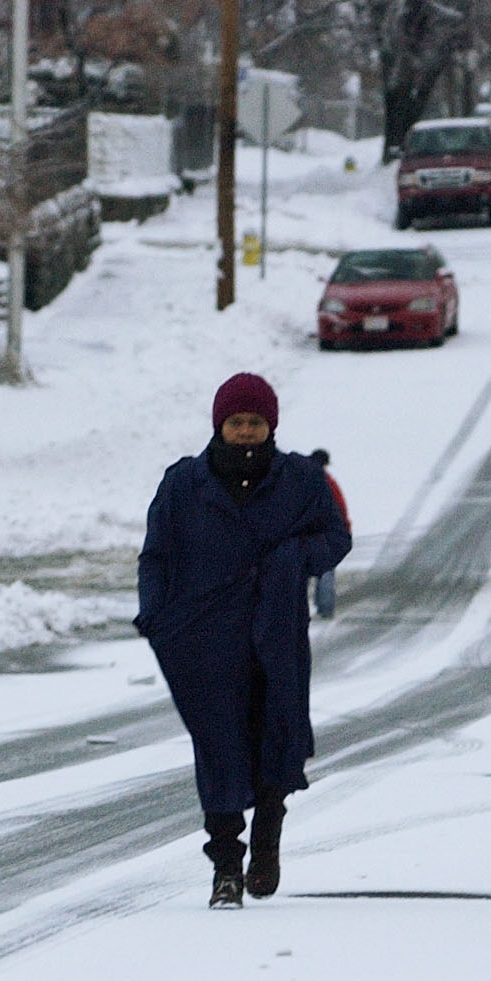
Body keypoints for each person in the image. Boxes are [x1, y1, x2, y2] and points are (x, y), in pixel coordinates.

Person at [136, 373, 353, 908]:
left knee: (276, 735)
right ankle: (225, 867)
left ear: (270, 425)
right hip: (204, 637)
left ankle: (267, 839)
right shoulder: (184, 485)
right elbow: (156, 555)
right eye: (237, 422)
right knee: (218, 745)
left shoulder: (302, 480)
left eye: (256, 422)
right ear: (220, 425)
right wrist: (157, 614)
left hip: (276, 632)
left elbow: (335, 537)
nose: (247, 432)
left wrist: (294, 560)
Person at [307, 449, 350, 619]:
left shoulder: (297, 478)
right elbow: (340, 508)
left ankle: (294, 611)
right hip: (325, 534)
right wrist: (345, 530)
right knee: (325, 571)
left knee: (297, 574)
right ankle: (325, 610)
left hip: (302, 533)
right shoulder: (329, 482)